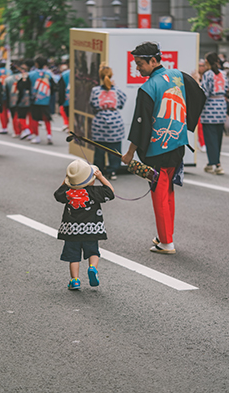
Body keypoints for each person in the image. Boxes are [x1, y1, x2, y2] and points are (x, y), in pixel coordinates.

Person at [121, 42, 205, 254]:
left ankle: (167, 242)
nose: (137, 68)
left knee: (159, 193)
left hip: (158, 149)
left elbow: (141, 124)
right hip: (178, 144)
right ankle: (164, 235)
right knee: (168, 191)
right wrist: (187, 124)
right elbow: (199, 95)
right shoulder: (178, 76)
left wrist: (130, 153)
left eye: (140, 64)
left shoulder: (148, 87)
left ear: (153, 61)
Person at [54, 159, 114, 290]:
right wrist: (101, 177)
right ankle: (92, 268)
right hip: (92, 229)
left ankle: (75, 280)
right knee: (93, 252)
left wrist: (66, 181)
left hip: (71, 231)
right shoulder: (94, 192)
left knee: (73, 256)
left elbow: (57, 194)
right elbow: (110, 192)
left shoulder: (67, 193)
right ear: (91, 180)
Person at [90, 63, 127, 180]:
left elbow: (93, 105)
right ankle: (112, 171)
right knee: (115, 149)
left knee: (99, 150)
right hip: (115, 122)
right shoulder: (117, 90)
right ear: (111, 76)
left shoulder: (95, 90)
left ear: (100, 77)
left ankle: (98, 172)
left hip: (100, 122)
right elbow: (122, 102)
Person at [201, 52, 228, 175]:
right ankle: (213, 162)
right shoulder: (223, 74)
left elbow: (204, 93)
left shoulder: (207, 75)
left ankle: (216, 164)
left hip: (210, 109)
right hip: (221, 107)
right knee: (217, 138)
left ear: (207, 62)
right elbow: (227, 89)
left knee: (210, 139)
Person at [28, 56, 56, 144]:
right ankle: (49, 135)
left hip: (35, 100)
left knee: (35, 119)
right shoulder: (49, 74)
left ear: (36, 64)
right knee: (47, 118)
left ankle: (37, 137)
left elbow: (26, 86)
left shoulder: (31, 74)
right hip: (46, 99)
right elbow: (54, 87)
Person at [0, 60, 12, 134]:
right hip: (9, 92)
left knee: (2, 110)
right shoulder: (9, 72)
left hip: (0, 92)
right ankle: (8, 125)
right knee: (8, 110)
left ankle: (4, 127)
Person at [5, 62, 22, 138]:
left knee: (14, 115)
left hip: (12, 98)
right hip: (23, 98)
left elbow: (6, 91)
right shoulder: (23, 76)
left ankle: (17, 131)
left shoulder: (8, 79)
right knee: (22, 115)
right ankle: (23, 130)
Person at [58, 60, 70, 132]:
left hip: (67, 99)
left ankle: (68, 126)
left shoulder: (65, 74)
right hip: (80, 100)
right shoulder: (82, 73)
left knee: (68, 115)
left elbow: (61, 89)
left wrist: (61, 101)